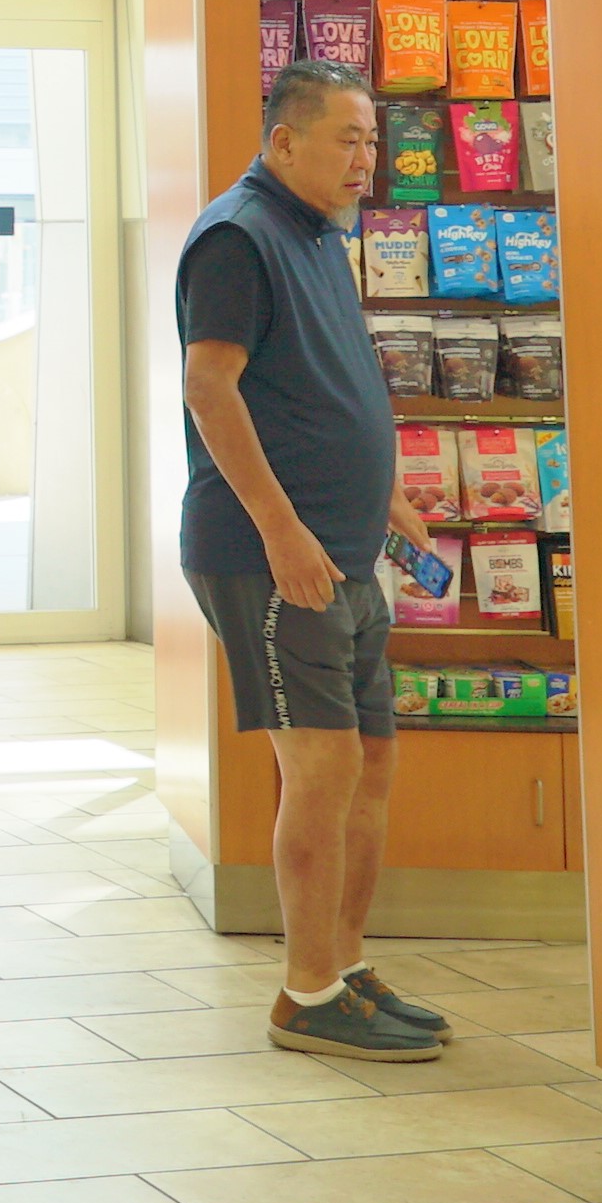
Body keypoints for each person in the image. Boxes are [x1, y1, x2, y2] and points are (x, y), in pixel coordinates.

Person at [176, 59, 453, 1062]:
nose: (365, 159)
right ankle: (304, 992)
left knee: (371, 760)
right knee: (324, 766)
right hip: (269, 557)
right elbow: (212, 389)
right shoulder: (237, 238)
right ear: (283, 141)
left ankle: (342, 964)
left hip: (343, 551)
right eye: (346, 139)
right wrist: (280, 529)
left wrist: (383, 497)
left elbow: (320, 381)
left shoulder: (317, 237)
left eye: (370, 140)